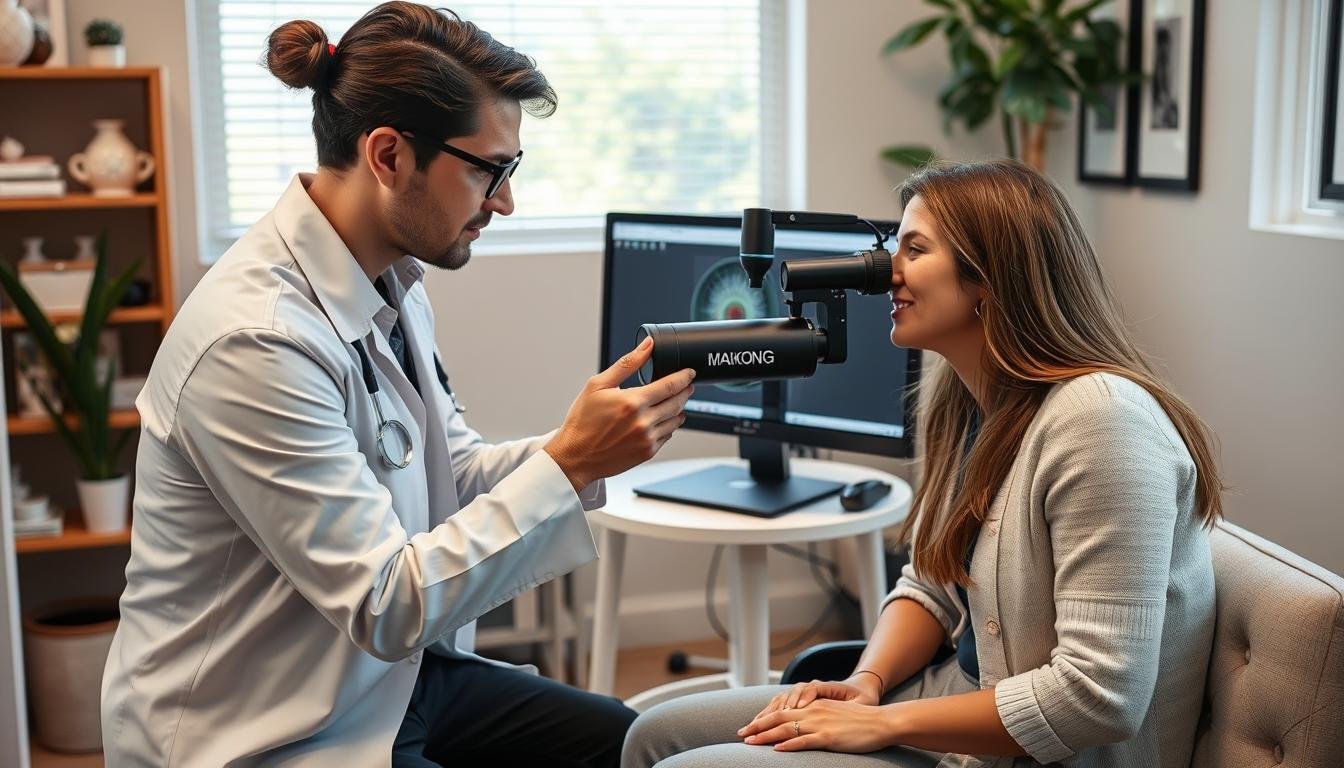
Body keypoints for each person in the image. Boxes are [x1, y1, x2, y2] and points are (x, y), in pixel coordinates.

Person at [100, 3, 696, 766]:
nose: (506, 201)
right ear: (389, 156)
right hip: (263, 726)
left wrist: (584, 446)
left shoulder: (393, 278)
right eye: (491, 169)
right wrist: (569, 464)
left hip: (382, 680)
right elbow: (383, 600)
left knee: (634, 742)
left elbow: (451, 478)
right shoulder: (256, 340)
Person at [622, 159, 1223, 768]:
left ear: (990, 275)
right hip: (948, 701)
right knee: (655, 733)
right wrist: (867, 682)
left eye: (914, 249)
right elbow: (932, 580)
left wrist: (883, 724)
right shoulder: (963, 403)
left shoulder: (1102, 421)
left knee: (686, 765)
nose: (887, 275)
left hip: (1030, 752)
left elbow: (1099, 699)